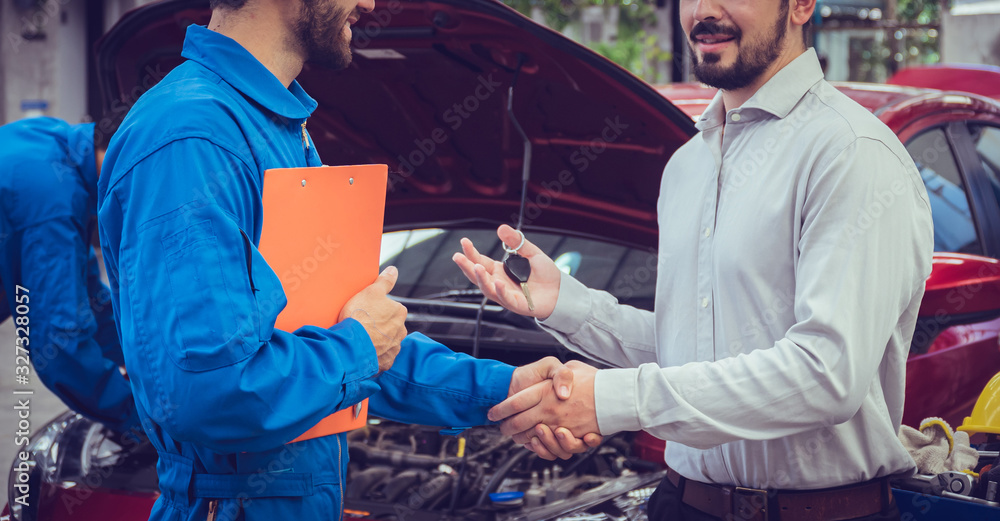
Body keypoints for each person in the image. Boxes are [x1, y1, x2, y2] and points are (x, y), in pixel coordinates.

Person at [97, 1, 576, 519]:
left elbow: (344, 339)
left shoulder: (276, 127)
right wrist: (360, 349)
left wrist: (504, 389)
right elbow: (211, 391)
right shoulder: (191, 139)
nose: (369, 2)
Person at [454, 0, 934, 518]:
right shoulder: (687, 165)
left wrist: (610, 401)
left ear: (799, 5)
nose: (703, 11)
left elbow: (826, 375)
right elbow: (693, 357)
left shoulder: (851, 152)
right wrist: (566, 306)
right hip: (681, 503)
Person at [0, 117, 141, 438]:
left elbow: (91, 303)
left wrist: (145, 363)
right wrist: (142, 418)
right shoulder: (51, 200)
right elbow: (59, 342)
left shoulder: (55, 143)